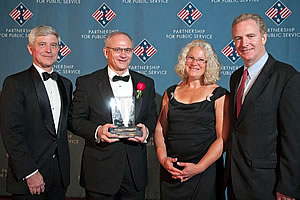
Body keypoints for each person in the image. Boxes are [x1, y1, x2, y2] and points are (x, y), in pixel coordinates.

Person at [71, 31, 157, 200]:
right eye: (118, 49)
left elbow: (151, 116)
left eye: (128, 50)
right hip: (100, 172)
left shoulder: (146, 83)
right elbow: (74, 120)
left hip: (135, 173)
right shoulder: (87, 83)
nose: (123, 55)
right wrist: (98, 131)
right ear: (106, 52)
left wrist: (146, 130)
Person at [226, 13, 300, 200]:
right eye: (238, 38)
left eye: (250, 36)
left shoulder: (287, 77)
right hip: (235, 180)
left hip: (267, 183)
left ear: (264, 37)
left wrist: (287, 186)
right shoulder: (235, 78)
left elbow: (293, 137)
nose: (244, 44)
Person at [0, 25, 73, 200]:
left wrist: (99, 129)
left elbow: (71, 121)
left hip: (59, 176)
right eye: (42, 44)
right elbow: (11, 133)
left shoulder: (66, 84)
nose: (48, 50)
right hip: (29, 177)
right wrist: (30, 172)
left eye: (53, 45)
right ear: (30, 48)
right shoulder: (15, 83)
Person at [154, 39, 230, 200]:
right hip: (172, 172)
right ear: (184, 60)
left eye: (201, 59)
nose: (195, 63)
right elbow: (160, 129)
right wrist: (163, 159)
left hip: (205, 173)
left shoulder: (219, 94)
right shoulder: (171, 92)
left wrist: (199, 167)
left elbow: (222, 139)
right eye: (191, 58)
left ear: (208, 63)